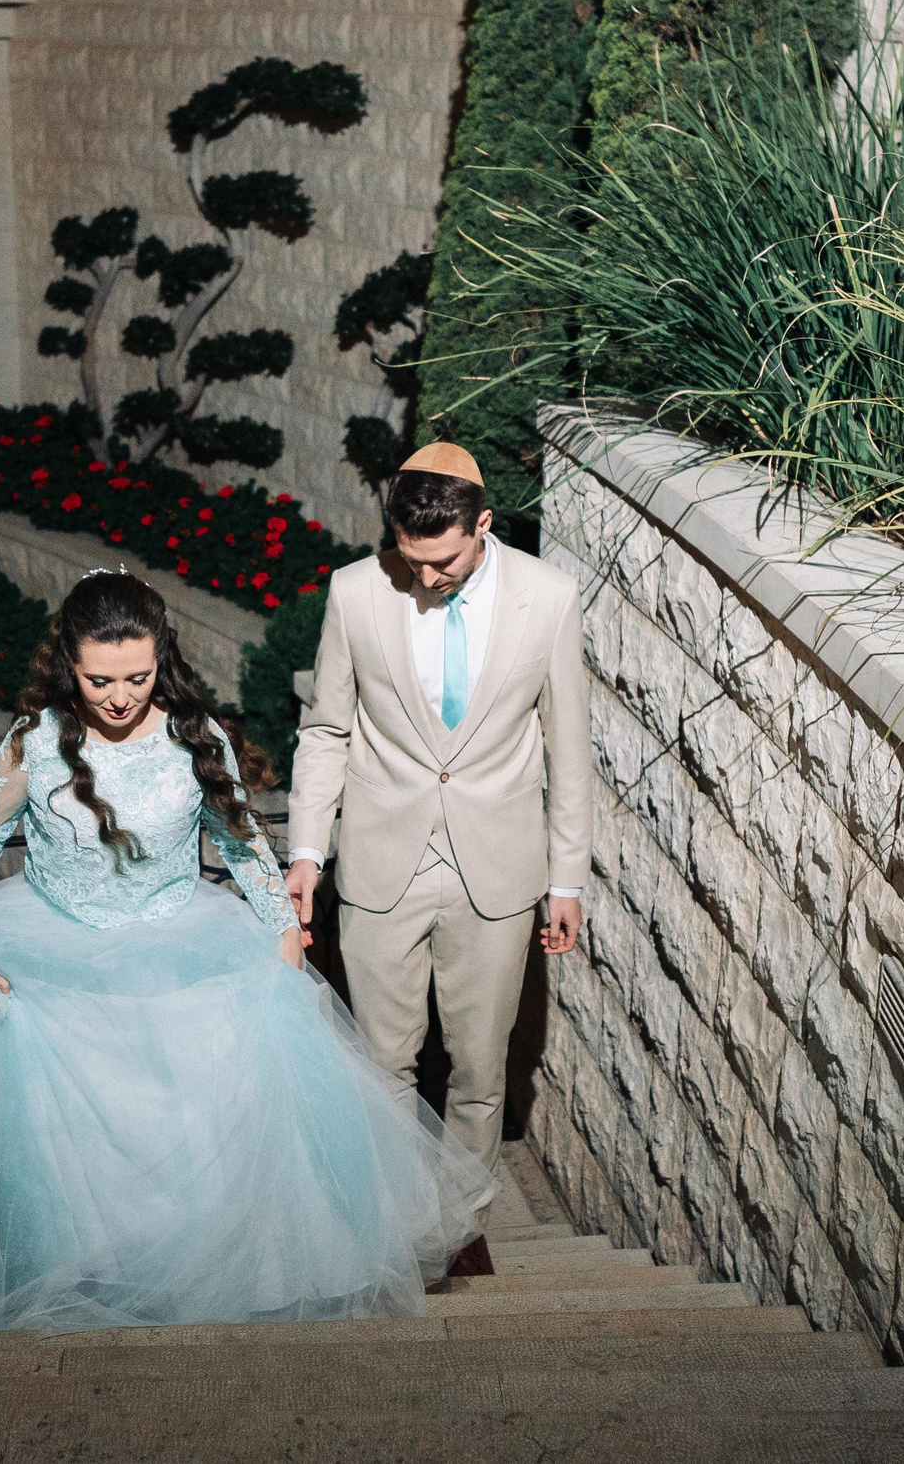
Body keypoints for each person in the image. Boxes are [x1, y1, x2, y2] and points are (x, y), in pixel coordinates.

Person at [0, 567, 493, 1336]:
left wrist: (281, 930)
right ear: (67, 662)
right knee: (64, 1148)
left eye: (137, 676)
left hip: (183, 950)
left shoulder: (194, 738)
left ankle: (197, 1271)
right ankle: (83, 1274)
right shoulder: (34, 744)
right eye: (99, 679)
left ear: (159, 657)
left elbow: (241, 845)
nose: (119, 696)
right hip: (54, 958)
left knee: (185, 1129)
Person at [284, 442, 589, 1278]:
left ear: (482, 524)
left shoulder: (550, 597)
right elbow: (327, 730)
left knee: (480, 1070)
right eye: (408, 558)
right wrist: (307, 849)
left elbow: (569, 750)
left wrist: (566, 879)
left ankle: (462, 1222)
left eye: (442, 561)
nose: (422, 578)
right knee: (383, 1064)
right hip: (381, 864)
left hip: (498, 871)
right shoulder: (355, 591)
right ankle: (397, 1226)